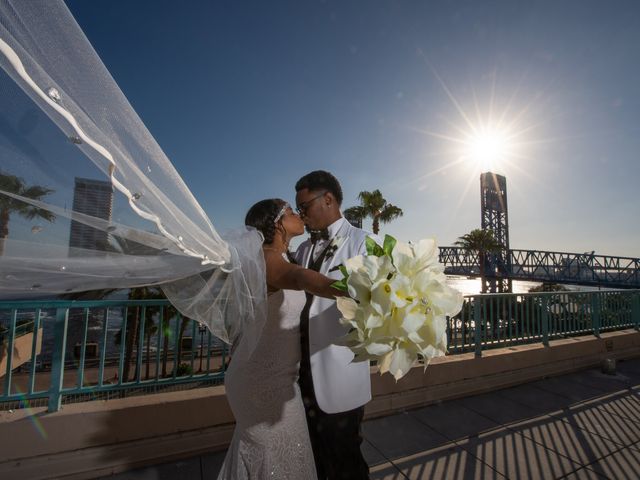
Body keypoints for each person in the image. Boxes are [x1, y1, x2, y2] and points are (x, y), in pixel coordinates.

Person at [218, 198, 344, 480]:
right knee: (274, 454)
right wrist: (355, 289)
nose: (298, 214)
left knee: (280, 453)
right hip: (261, 381)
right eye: (290, 211)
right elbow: (299, 278)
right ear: (277, 224)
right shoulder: (267, 258)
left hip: (279, 376)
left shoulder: (282, 256)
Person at [295, 170, 372, 480]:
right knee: (314, 462)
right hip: (300, 377)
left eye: (305, 206)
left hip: (339, 373)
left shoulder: (364, 243)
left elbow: (370, 304)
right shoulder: (301, 250)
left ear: (328, 199)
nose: (302, 215)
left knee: (346, 463)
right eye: (298, 209)